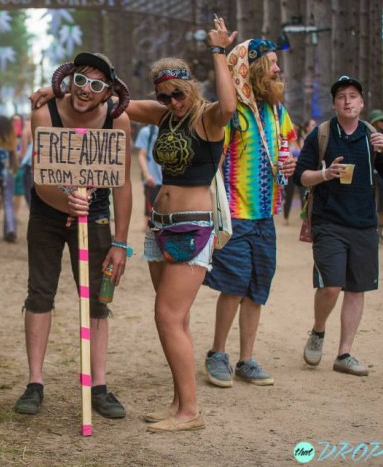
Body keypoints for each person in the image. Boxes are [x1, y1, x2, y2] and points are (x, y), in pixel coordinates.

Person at [121, 16, 236, 432]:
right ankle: (178, 402)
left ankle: (191, 413)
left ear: (191, 87)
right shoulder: (163, 115)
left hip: (192, 226)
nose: (172, 101)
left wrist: (218, 52)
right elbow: (116, 103)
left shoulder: (207, 117)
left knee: (167, 316)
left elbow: (229, 107)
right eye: (164, 94)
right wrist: (60, 87)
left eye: (177, 93)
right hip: (161, 225)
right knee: (177, 319)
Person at [15, 52, 132, 419]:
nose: (85, 90)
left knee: (98, 298)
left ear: (108, 93)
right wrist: (65, 201)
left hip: (94, 214)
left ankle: (98, 386)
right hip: (49, 212)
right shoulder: (43, 114)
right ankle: (35, 383)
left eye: (96, 85)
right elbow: (39, 178)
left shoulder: (118, 121)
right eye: (81, 79)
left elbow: (122, 184)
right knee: (40, 292)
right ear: (69, 79)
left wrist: (120, 243)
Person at [203, 39, 297, 388]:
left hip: (265, 217)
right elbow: (213, 157)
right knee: (234, 285)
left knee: (257, 286)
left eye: (276, 62)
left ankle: (246, 359)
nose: (277, 69)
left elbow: (289, 144)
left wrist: (290, 160)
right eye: (270, 63)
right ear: (253, 68)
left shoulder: (276, 111)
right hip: (236, 216)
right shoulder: (233, 112)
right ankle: (217, 353)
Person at [295, 76, 383, 377]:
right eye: (341, 97)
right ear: (335, 104)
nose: (347, 101)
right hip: (328, 222)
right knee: (331, 286)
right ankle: (319, 330)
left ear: (362, 103)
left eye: (353, 96)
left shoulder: (373, 137)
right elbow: (301, 176)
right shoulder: (321, 135)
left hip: (364, 224)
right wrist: (326, 173)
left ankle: (344, 353)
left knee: (356, 289)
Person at [0, 115, 18, 242]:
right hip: (7, 173)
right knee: (8, 202)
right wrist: (14, 169)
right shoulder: (10, 138)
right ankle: (10, 230)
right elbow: (14, 156)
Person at [283, 120, 316, 225]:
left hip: (299, 170)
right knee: (289, 195)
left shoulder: (301, 140)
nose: (294, 131)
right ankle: (286, 217)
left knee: (303, 194)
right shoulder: (286, 143)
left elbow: (304, 154)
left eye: (295, 129)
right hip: (290, 172)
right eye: (292, 129)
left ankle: (304, 217)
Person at [133, 123, 162, 231]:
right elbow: (141, 154)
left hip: (169, 178)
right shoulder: (147, 132)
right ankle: (147, 226)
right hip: (153, 177)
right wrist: (146, 174)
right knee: (150, 202)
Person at [369, 109, 383, 244]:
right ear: (375, 122)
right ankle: (372, 233)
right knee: (373, 205)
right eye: (382, 121)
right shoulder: (368, 135)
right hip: (372, 177)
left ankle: (380, 233)